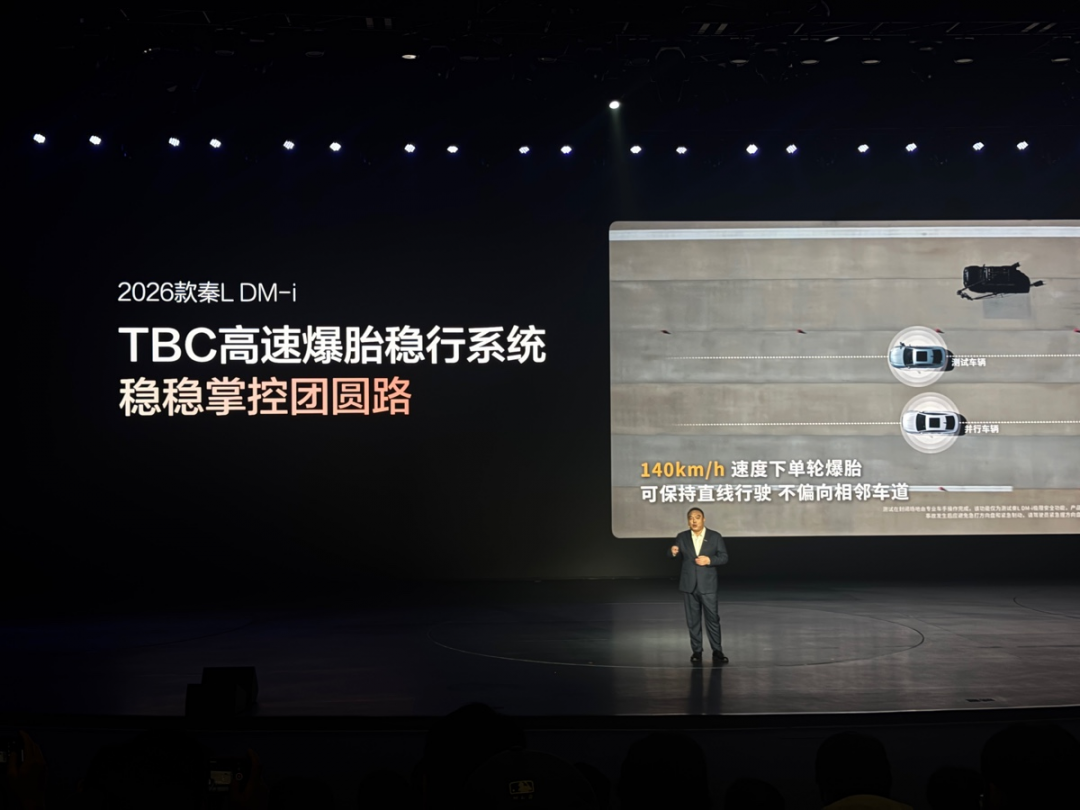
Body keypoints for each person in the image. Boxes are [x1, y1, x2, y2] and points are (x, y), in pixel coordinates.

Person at [670, 506, 729, 664]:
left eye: (697, 517)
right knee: (693, 620)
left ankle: (717, 650)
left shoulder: (715, 536)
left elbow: (724, 557)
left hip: (708, 585)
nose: (694, 520)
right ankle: (697, 651)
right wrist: (673, 552)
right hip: (689, 585)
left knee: (713, 619)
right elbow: (674, 555)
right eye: (691, 518)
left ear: (703, 519)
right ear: (688, 521)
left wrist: (709, 560)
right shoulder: (682, 537)